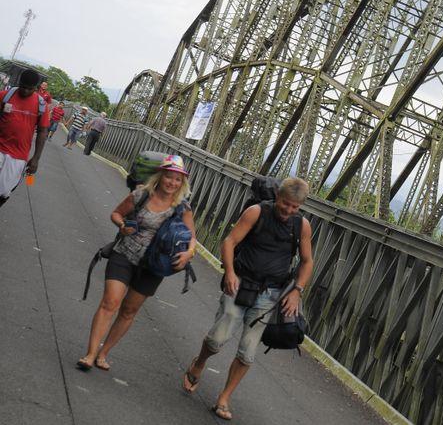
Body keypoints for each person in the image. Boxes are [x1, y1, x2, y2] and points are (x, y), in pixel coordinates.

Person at [182, 177, 313, 421]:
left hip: (271, 295)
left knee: (247, 352)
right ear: (278, 197)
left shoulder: (301, 225)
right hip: (241, 284)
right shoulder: (256, 212)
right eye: (285, 204)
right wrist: (230, 272)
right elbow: (230, 242)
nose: (288, 210)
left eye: (295, 207)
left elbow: (307, 261)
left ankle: (224, 397)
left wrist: (297, 291)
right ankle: (199, 362)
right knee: (217, 339)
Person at [76, 155, 197, 371]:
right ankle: (90, 353)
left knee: (129, 310)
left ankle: (104, 354)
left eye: (178, 180)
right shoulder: (141, 194)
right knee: (110, 302)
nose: (172, 183)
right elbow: (116, 213)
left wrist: (189, 253)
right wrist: (122, 225)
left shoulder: (183, 207)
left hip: (153, 265)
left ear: (182, 183)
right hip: (124, 253)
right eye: (169, 177)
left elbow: (191, 238)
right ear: (160, 177)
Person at [0, 69, 49, 209]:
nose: (25, 91)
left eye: (30, 89)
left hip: (18, 157)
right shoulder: (5, 96)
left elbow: (42, 131)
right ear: (19, 83)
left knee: (4, 192)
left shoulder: (41, 105)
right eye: (23, 86)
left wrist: (36, 159)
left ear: (36, 88)